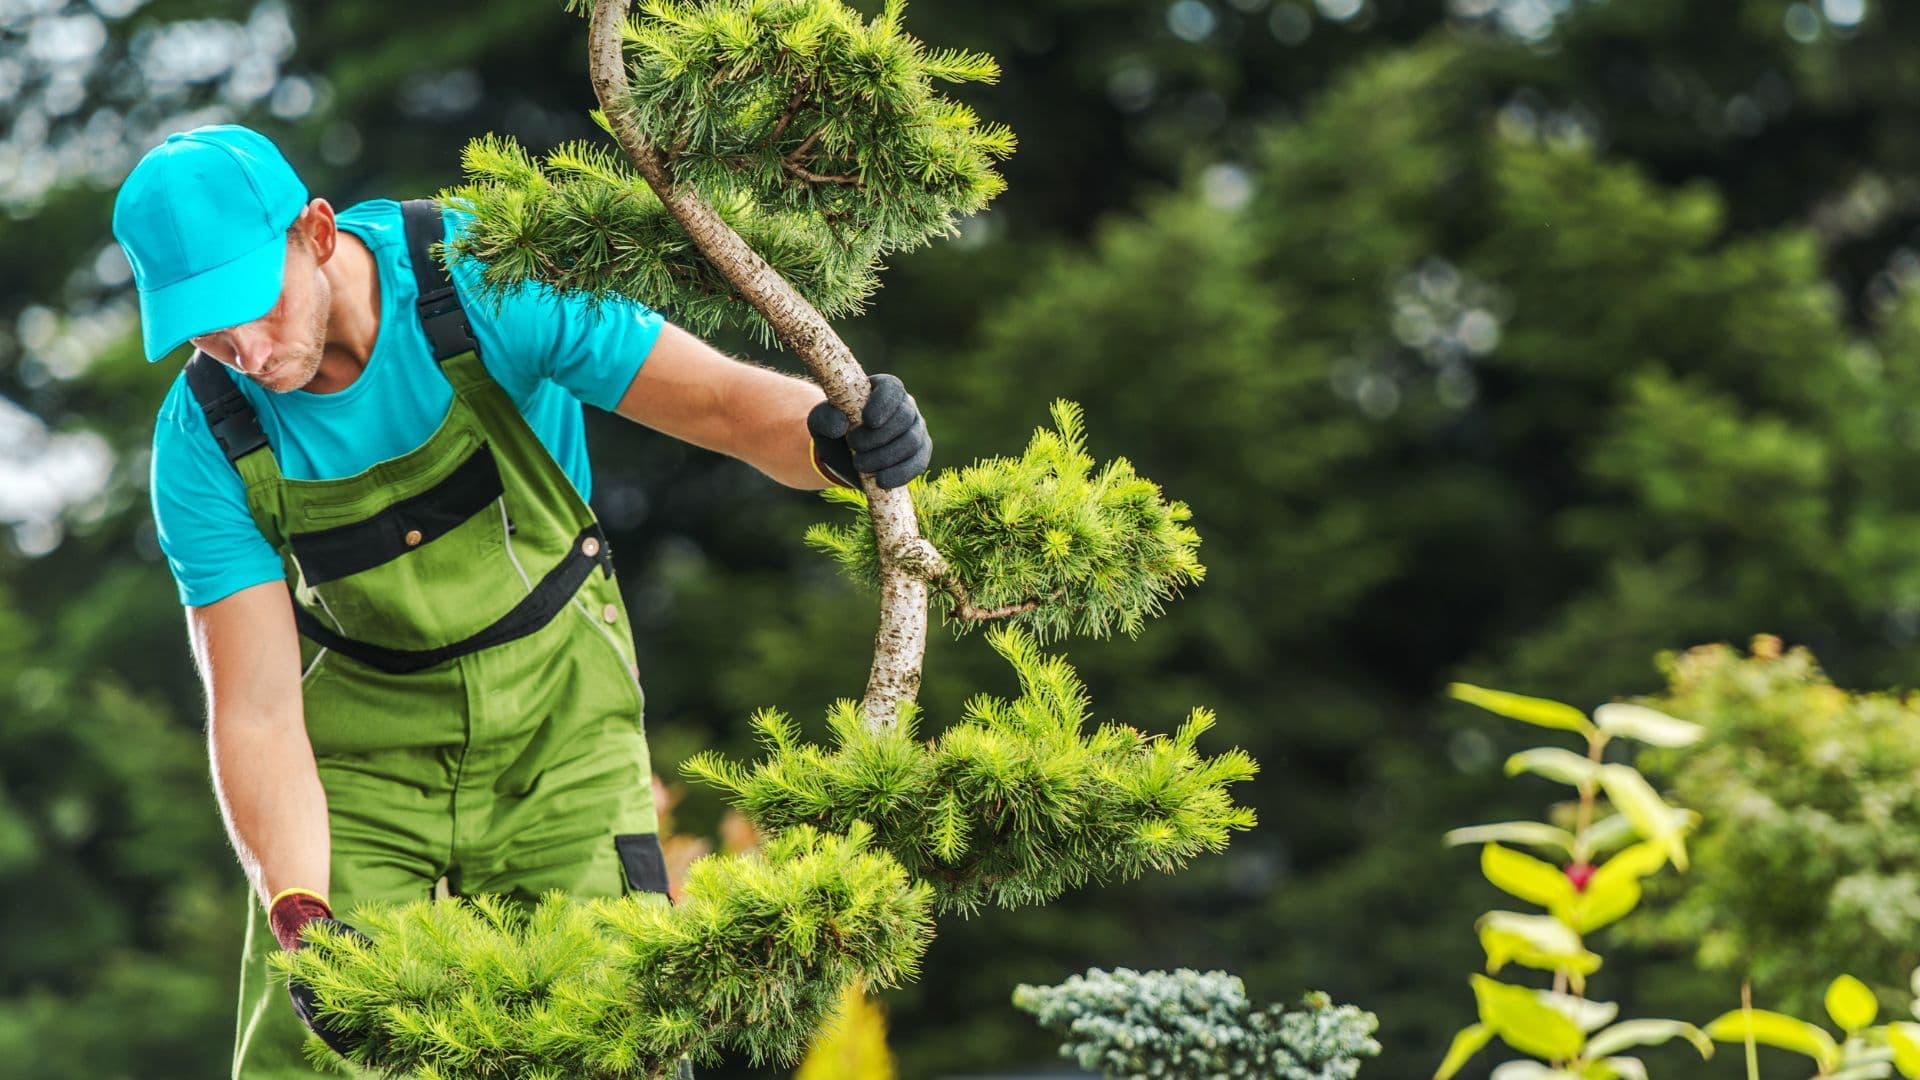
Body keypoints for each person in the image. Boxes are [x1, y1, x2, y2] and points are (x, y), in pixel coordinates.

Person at [112, 124, 931, 1077]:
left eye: (252, 305)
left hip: (560, 728)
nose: (243, 349)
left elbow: (716, 404)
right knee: (318, 1044)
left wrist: (835, 438)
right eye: (208, 330)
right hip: (365, 771)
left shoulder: (484, 275)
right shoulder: (204, 439)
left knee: (610, 1032)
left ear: (319, 234)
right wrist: (301, 915)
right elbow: (254, 711)